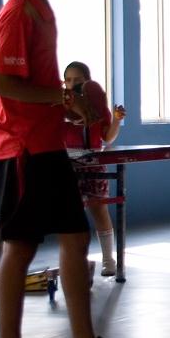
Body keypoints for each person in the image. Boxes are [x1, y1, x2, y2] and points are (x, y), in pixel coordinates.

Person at [0, 0, 143, 338]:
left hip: (47, 146)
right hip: (20, 149)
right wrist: (60, 97)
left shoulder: (43, 11)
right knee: (20, 247)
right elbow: (1, 83)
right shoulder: (17, 13)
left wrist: (64, 106)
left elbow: (34, 85)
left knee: (75, 237)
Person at [62, 61, 126, 275]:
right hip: (68, 164)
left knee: (99, 209)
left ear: (87, 82)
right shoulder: (59, 106)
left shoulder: (97, 103)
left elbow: (107, 137)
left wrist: (116, 120)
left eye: (78, 80)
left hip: (94, 162)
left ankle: (108, 260)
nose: (73, 84)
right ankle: (76, 261)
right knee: (70, 214)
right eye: (68, 80)